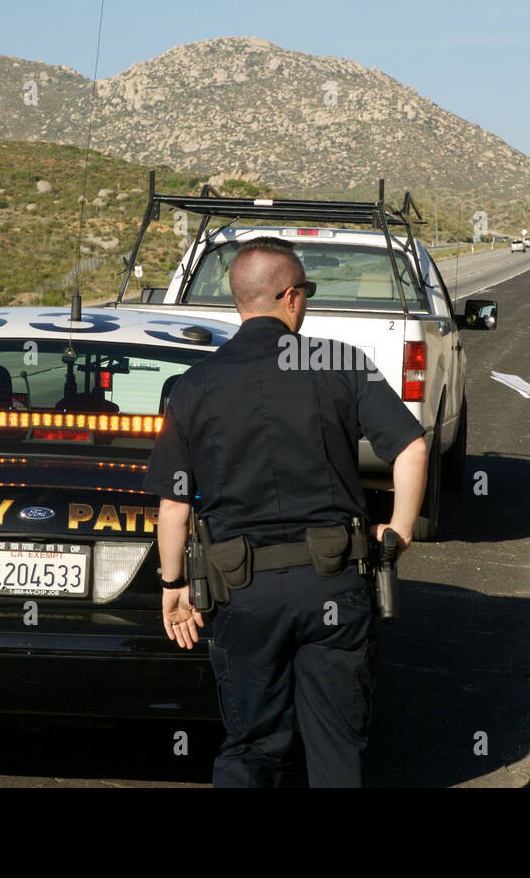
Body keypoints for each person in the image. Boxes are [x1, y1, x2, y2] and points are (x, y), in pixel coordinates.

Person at [144, 236, 428, 788]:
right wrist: (400, 528)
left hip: (243, 595)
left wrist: (172, 582)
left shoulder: (194, 385)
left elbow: (175, 504)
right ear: (291, 297)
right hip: (334, 585)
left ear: (239, 303)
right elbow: (412, 448)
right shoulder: (340, 362)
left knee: (253, 746)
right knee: (336, 745)